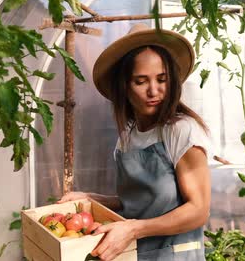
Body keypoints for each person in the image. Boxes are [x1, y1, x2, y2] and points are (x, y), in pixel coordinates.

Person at [59, 23, 211, 261]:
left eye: (162, 79)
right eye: (141, 81)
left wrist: (133, 229)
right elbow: (140, 201)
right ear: (125, 87)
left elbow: (198, 210)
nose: (154, 90)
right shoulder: (128, 136)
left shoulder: (181, 131)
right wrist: (92, 198)